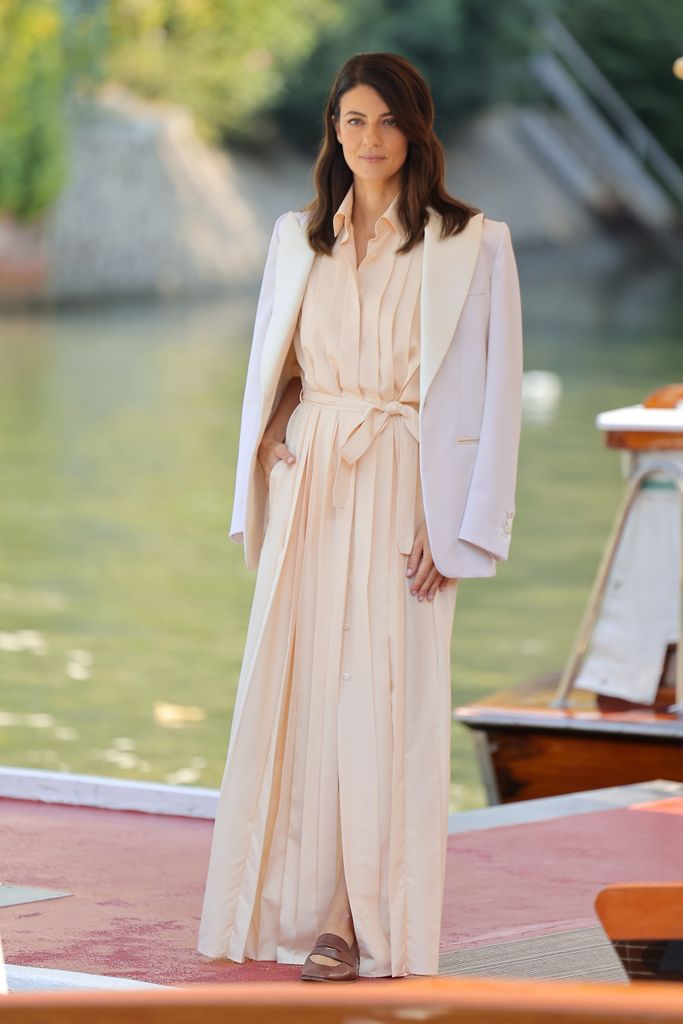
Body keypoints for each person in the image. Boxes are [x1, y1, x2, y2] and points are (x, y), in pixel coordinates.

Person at [197, 51, 523, 982]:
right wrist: (266, 445)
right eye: (350, 121)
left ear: (415, 127)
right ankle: (290, 907)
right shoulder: (296, 237)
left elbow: (495, 404)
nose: (366, 139)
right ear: (331, 131)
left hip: (405, 492)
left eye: (383, 121)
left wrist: (455, 525)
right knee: (299, 696)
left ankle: (355, 920)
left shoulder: (473, 243)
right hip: (312, 487)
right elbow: (273, 365)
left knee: (383, 707)